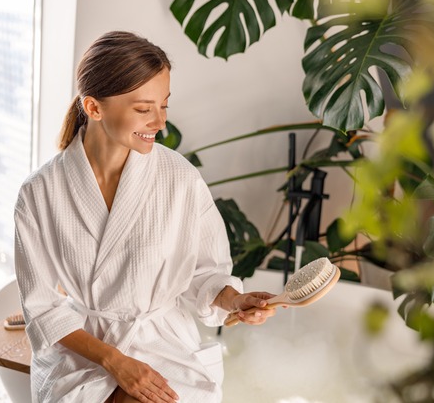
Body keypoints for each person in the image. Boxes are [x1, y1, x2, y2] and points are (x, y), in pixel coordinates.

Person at [14, 31, 278, 403]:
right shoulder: (39, 194)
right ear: (93, 108)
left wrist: (235, 300)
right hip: (86, 349)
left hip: (163, 342)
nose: (160, 122)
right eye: (143, 109)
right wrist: (115, 362)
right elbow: (43, 309)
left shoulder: (179, 178)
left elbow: (203, 272)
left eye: (164, 105)